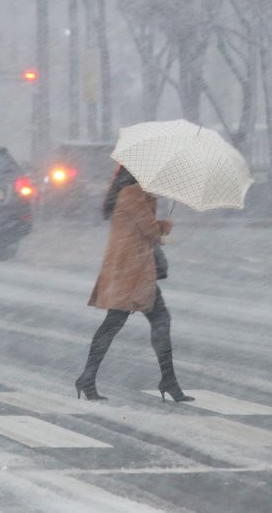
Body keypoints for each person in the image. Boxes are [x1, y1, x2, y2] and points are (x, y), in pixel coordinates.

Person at [75, 165, 194, 402]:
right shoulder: (134, 193)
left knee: (118, 324)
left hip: (130, 271)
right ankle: (167, 381)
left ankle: (89, 378)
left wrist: (156, 219)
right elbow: (150, 231)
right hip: (133, 273)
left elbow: (142, 228)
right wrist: (165, 226)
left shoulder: (129, 193)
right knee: (144, 322)